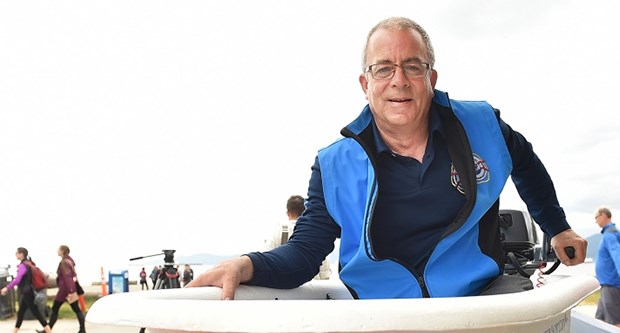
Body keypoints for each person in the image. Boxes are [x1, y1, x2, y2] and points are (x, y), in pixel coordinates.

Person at [189, 17, 586, 300]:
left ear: (431, 79)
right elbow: (305, 253)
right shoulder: (332, 165)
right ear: (366, 84)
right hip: (385, 319)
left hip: (478, 302)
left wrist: (557, 226)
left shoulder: (482, 124)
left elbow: (525, 161)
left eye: (413, 66)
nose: (399, 80)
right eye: (384, 69)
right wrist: (246, 265)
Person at [264, 195, 332, 279]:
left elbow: (266, 263)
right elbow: (324, 272)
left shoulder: (277, 231)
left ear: (288, 212)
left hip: (285, 286)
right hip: (312, 288)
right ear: (305, 211)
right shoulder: (316, 233)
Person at [0, 247, 55, 333]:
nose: (15, 254)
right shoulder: (29, 263)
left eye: (17, 252)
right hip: (27, 293)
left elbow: (17, 279)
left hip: (28, 293)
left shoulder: (23, 266)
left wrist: (7, 288)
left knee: (37, 314)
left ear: (22, 254)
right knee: (20, 314)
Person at [38, 245, 87, 333]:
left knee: (57, 309)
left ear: (63, 251)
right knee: (74, 309)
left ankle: (82, 330)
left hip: (65, 291)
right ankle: (82, 330)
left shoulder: (64, 262)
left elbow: (67, 278)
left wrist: (71, 291)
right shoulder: (69, 261)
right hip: (68, 290)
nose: (57, 251)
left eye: (58, 249)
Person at [593, 207, 620, 327]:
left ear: (603, 216)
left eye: (596, 218)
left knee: (616, 323)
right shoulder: (615, 233)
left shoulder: (610, 235)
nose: (595, 221)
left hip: (611, 285)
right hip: (606, 285)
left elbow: (617, 254)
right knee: (600, 320)